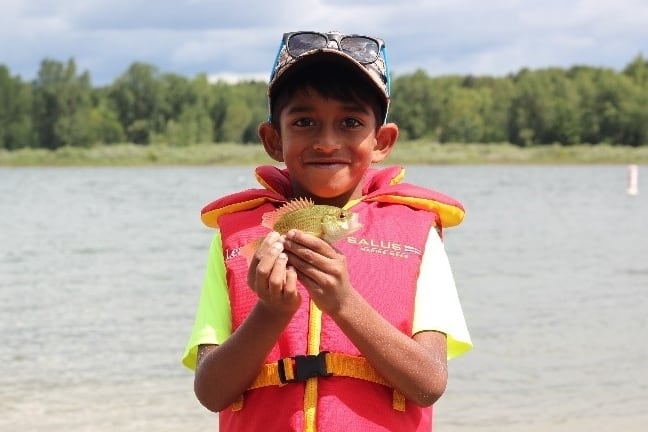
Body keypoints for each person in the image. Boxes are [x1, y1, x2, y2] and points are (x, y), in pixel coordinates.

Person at [182, 30, 472, 431]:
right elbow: (211, 392)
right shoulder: (239, 240)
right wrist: (271, 312)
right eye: (304, 122)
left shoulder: (419, 236)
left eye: (351, 122)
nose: (327, 141)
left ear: (382, 141)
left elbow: (429, 383)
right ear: (273, 140)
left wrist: (344, 303)